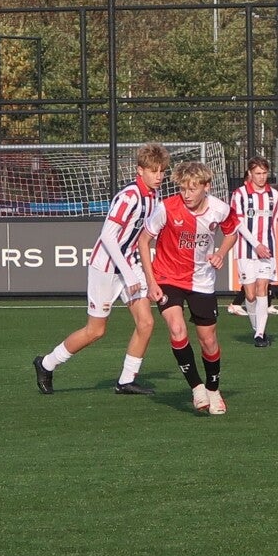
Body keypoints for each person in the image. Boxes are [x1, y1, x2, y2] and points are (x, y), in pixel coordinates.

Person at [33, 142, 170, 396]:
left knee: (146, 323)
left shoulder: (154, 196)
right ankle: (46, 363)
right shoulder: (129, 197)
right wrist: (128, 274)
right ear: (140, 170)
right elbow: (107, 236)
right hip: (105, 268)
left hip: (129, 265)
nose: (159, 176)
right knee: (95, 331)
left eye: (162, 171)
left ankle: (126, 381)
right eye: (154, 171)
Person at [138, 161, 246, 414]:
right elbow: (143, 241)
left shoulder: (220, 209)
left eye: (192, 189)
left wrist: (220, 253)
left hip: (202, 281)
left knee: (208, 340)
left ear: (206, 187)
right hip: (167, 277)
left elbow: (232, 232)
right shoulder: (166, 208)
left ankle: (213, 389)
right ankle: (197, 387)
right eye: (183, 189)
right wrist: (151, 281)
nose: (186, 195)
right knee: (177, 329)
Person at [229, 156, 278, 348]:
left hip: (268, 250)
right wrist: (256, 245)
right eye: (257, 173)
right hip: (246, 250)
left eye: (264, 173)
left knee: (262, 288)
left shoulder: (275, 195)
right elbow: (238, 223)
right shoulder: (239, 194)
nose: (261, 177)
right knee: (250, 295)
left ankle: (260, 334)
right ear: (250, 174)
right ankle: (257, 328)